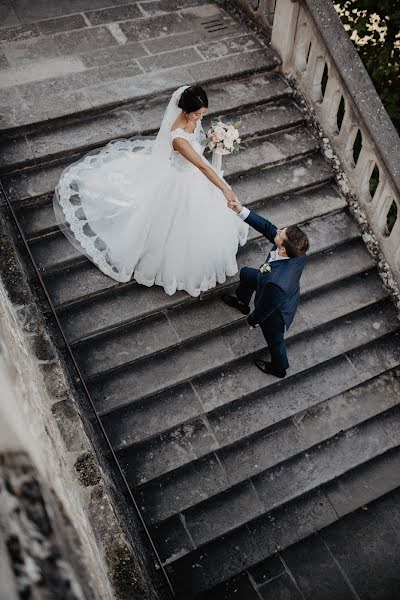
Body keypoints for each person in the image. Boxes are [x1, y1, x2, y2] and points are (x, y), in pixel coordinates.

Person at [53, 85, 248, 297]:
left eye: (203, 113)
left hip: (197, 179)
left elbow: (200, 149)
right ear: (184, 111)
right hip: (181, 182)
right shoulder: (178, 139)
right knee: (174, 225)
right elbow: (201, 165)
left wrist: (217, 142)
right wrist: (224, 190)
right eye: (197, 114)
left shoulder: (194, 120)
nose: (200, 117)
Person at [222, 196, 309, 379]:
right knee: (246, 273)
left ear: (283, 249)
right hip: (267, 281)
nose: (277, 232)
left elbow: (266, 307)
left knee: (275, 341)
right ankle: (241, 302)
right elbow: (268, 227)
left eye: (280, 234)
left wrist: (253, 320)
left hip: (276, 310)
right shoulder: (296, 250)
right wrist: (240, 210)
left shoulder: (279, 283)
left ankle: (279, 368)